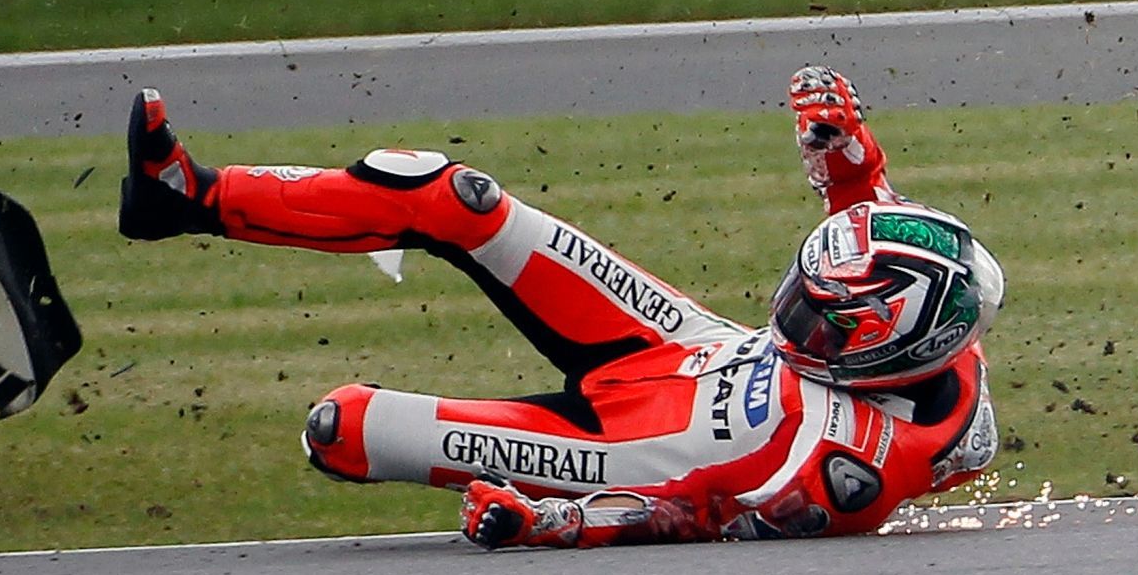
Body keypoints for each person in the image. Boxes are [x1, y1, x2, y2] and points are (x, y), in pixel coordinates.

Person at [118, 67, 1004, 549]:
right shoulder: (907, 310)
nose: (791, 320)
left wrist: (557, 522)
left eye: (815, 323)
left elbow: (691, 516)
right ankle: (185, 194)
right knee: (448, 192)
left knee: (342, 427)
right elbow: (864, 209)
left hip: (617, 450)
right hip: (676, 345)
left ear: (882, 356)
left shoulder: (849, 478)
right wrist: (843, 140)